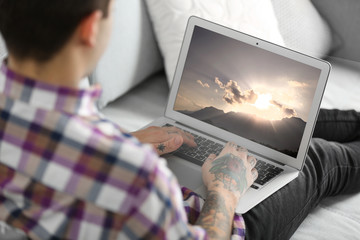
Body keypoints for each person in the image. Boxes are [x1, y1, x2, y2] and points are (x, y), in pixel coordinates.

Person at [0, 0, 359, 239]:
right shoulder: (135, 175)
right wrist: (225, 191)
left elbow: (65, 151)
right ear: (91, 28)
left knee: (300, 123)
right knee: (313, 158)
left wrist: (127, 140)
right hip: (207, 220)